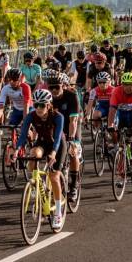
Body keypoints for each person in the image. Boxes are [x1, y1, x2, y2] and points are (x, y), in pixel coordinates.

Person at [16, 89, 67, 229]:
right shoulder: (31, 116)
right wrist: (16, 150)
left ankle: (57, 212)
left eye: (42, 105)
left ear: (49, 105)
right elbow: (23, 135)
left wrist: (54, 153)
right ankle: (36, 184)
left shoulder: (58, 117)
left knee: (54, 177)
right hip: (43, 142)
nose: (38, 108)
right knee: (33, 154)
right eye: (36, 104)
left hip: (58, 145)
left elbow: (57, 138)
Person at [45, 71, 82, 201]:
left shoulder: (72, 96)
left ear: (63, 86)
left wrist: (71, 137)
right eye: (51, 87)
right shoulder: (48, 98)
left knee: (73, 152)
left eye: (57, 87)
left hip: (71, 126)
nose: (54, 90)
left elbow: (74, 121)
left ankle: (74, 185)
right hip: (57, 129)